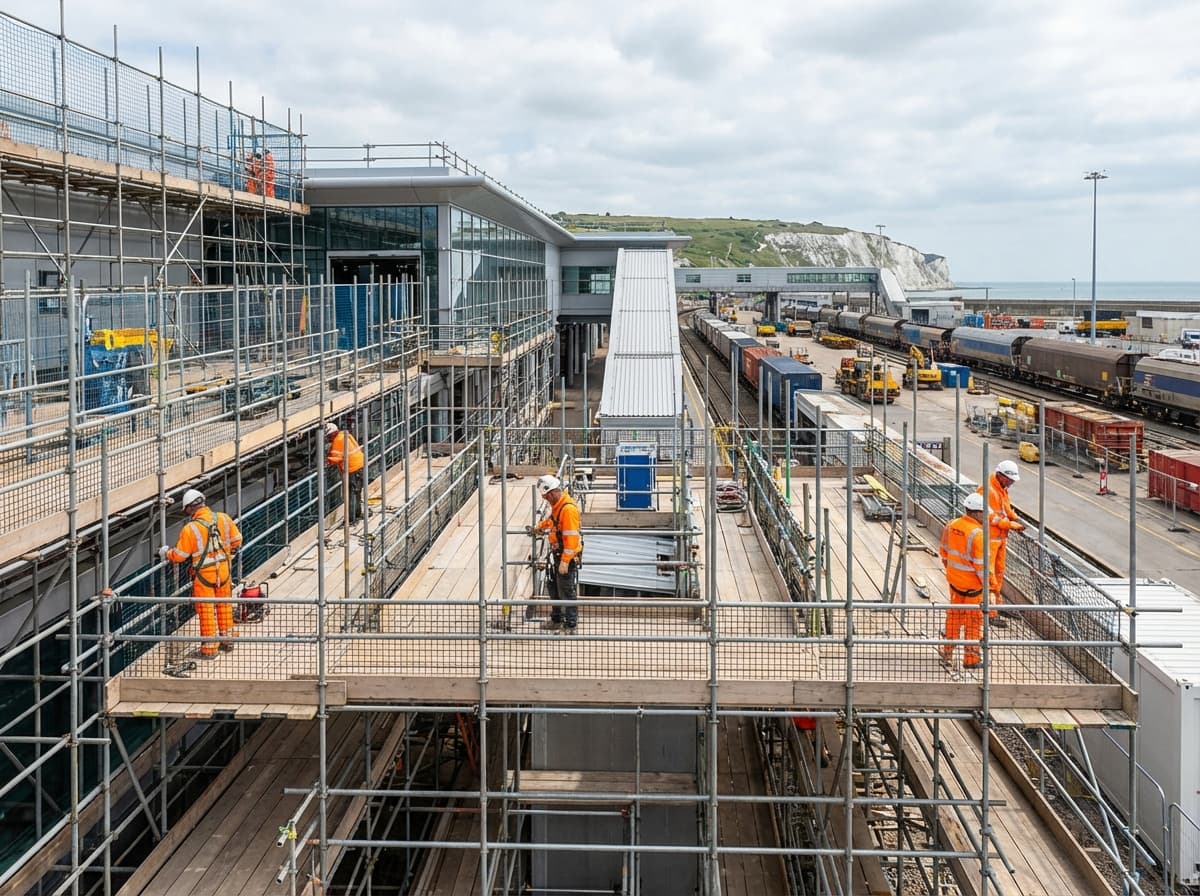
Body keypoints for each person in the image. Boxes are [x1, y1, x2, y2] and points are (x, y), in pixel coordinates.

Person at [159, 489, 243, 658]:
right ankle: (227, 640)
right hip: (224, 572)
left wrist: (165, 552)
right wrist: (229, 556)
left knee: (206, 610)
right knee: (224, 605)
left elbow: (180, 556)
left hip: (204, 576)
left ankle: (210, 649)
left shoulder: (191, 528)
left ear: (190, 508)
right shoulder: (223, 518)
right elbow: (237, 540)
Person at [938, 492, 999, 671]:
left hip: (955, 585)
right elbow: (983, 568)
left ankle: (947, 651)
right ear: (976, 513)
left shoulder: (951, 525)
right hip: (973, 590)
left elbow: (943, 552)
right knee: (974, 622)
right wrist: (992, 588)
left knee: (954, 618)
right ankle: (971, 659)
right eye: (983, 513)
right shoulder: (978, 535)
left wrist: (954, 572)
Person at [528, 474, 583, 633]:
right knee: (554, 588)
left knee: (566, 590)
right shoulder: (559, 506)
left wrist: (565, 561)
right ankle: (556, 619)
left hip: (566, 558)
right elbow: (553, 521)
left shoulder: (568, 510)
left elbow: (572, 539)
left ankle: (571, 625)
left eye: (546, 497)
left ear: (552, 493)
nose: (546, 500)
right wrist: (540, 526)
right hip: (557, 554)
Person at [975, 459, 1026, 628]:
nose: (1011, 483)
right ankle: (990, 612)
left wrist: (1014, 517)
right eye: (1009, 480)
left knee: (998, 573)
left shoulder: (1000, 489)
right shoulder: (987, 490)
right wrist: (1010, 524)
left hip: (999, 540)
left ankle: (996, 605)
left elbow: (1005, 509)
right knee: (989, 577)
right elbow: (989, 516)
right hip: (989, 540)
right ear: (1000, 475)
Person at [325, 421, 365, 524]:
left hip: (351, 469)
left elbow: (335, 459)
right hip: (360, 465)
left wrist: (326, 460)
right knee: (357, 492)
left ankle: (351, 519)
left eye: (329, 436)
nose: (328, 438)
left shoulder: (337, 441)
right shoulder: (345, 434)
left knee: (350, 494)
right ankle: (357, 513)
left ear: (332, 433)